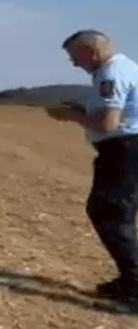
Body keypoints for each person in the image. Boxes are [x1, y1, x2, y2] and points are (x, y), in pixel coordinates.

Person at [46, 29, 138, 303]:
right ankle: (131, 279)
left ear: (89, 50)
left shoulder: (111, 74)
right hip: (126, 149)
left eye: (74, 56)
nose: (74, 63)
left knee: (110, 212)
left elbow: (108, 123)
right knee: (114, 212)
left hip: (125, 150)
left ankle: (134, 284)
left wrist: (70, 115)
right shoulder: (120, 68)